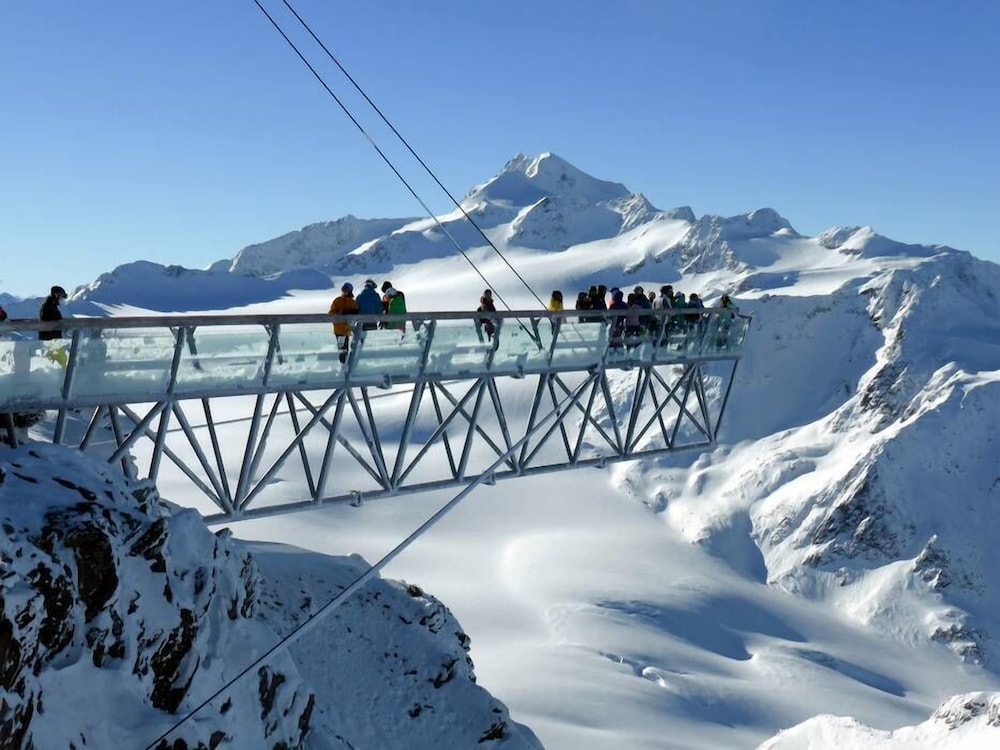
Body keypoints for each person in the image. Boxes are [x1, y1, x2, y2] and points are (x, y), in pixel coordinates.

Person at [328, 282, 359, 363]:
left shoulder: (352, 302)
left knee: (346, 348)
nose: (345, 291)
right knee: (342, 349)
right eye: (344, 290)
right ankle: (343, 364)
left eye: (347, 290)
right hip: (339, 329)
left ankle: (346, 365)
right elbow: (331, 313)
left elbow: (356, 315)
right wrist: (341, 314)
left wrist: (353, 313)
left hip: (347, 329)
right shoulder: (337, 300)